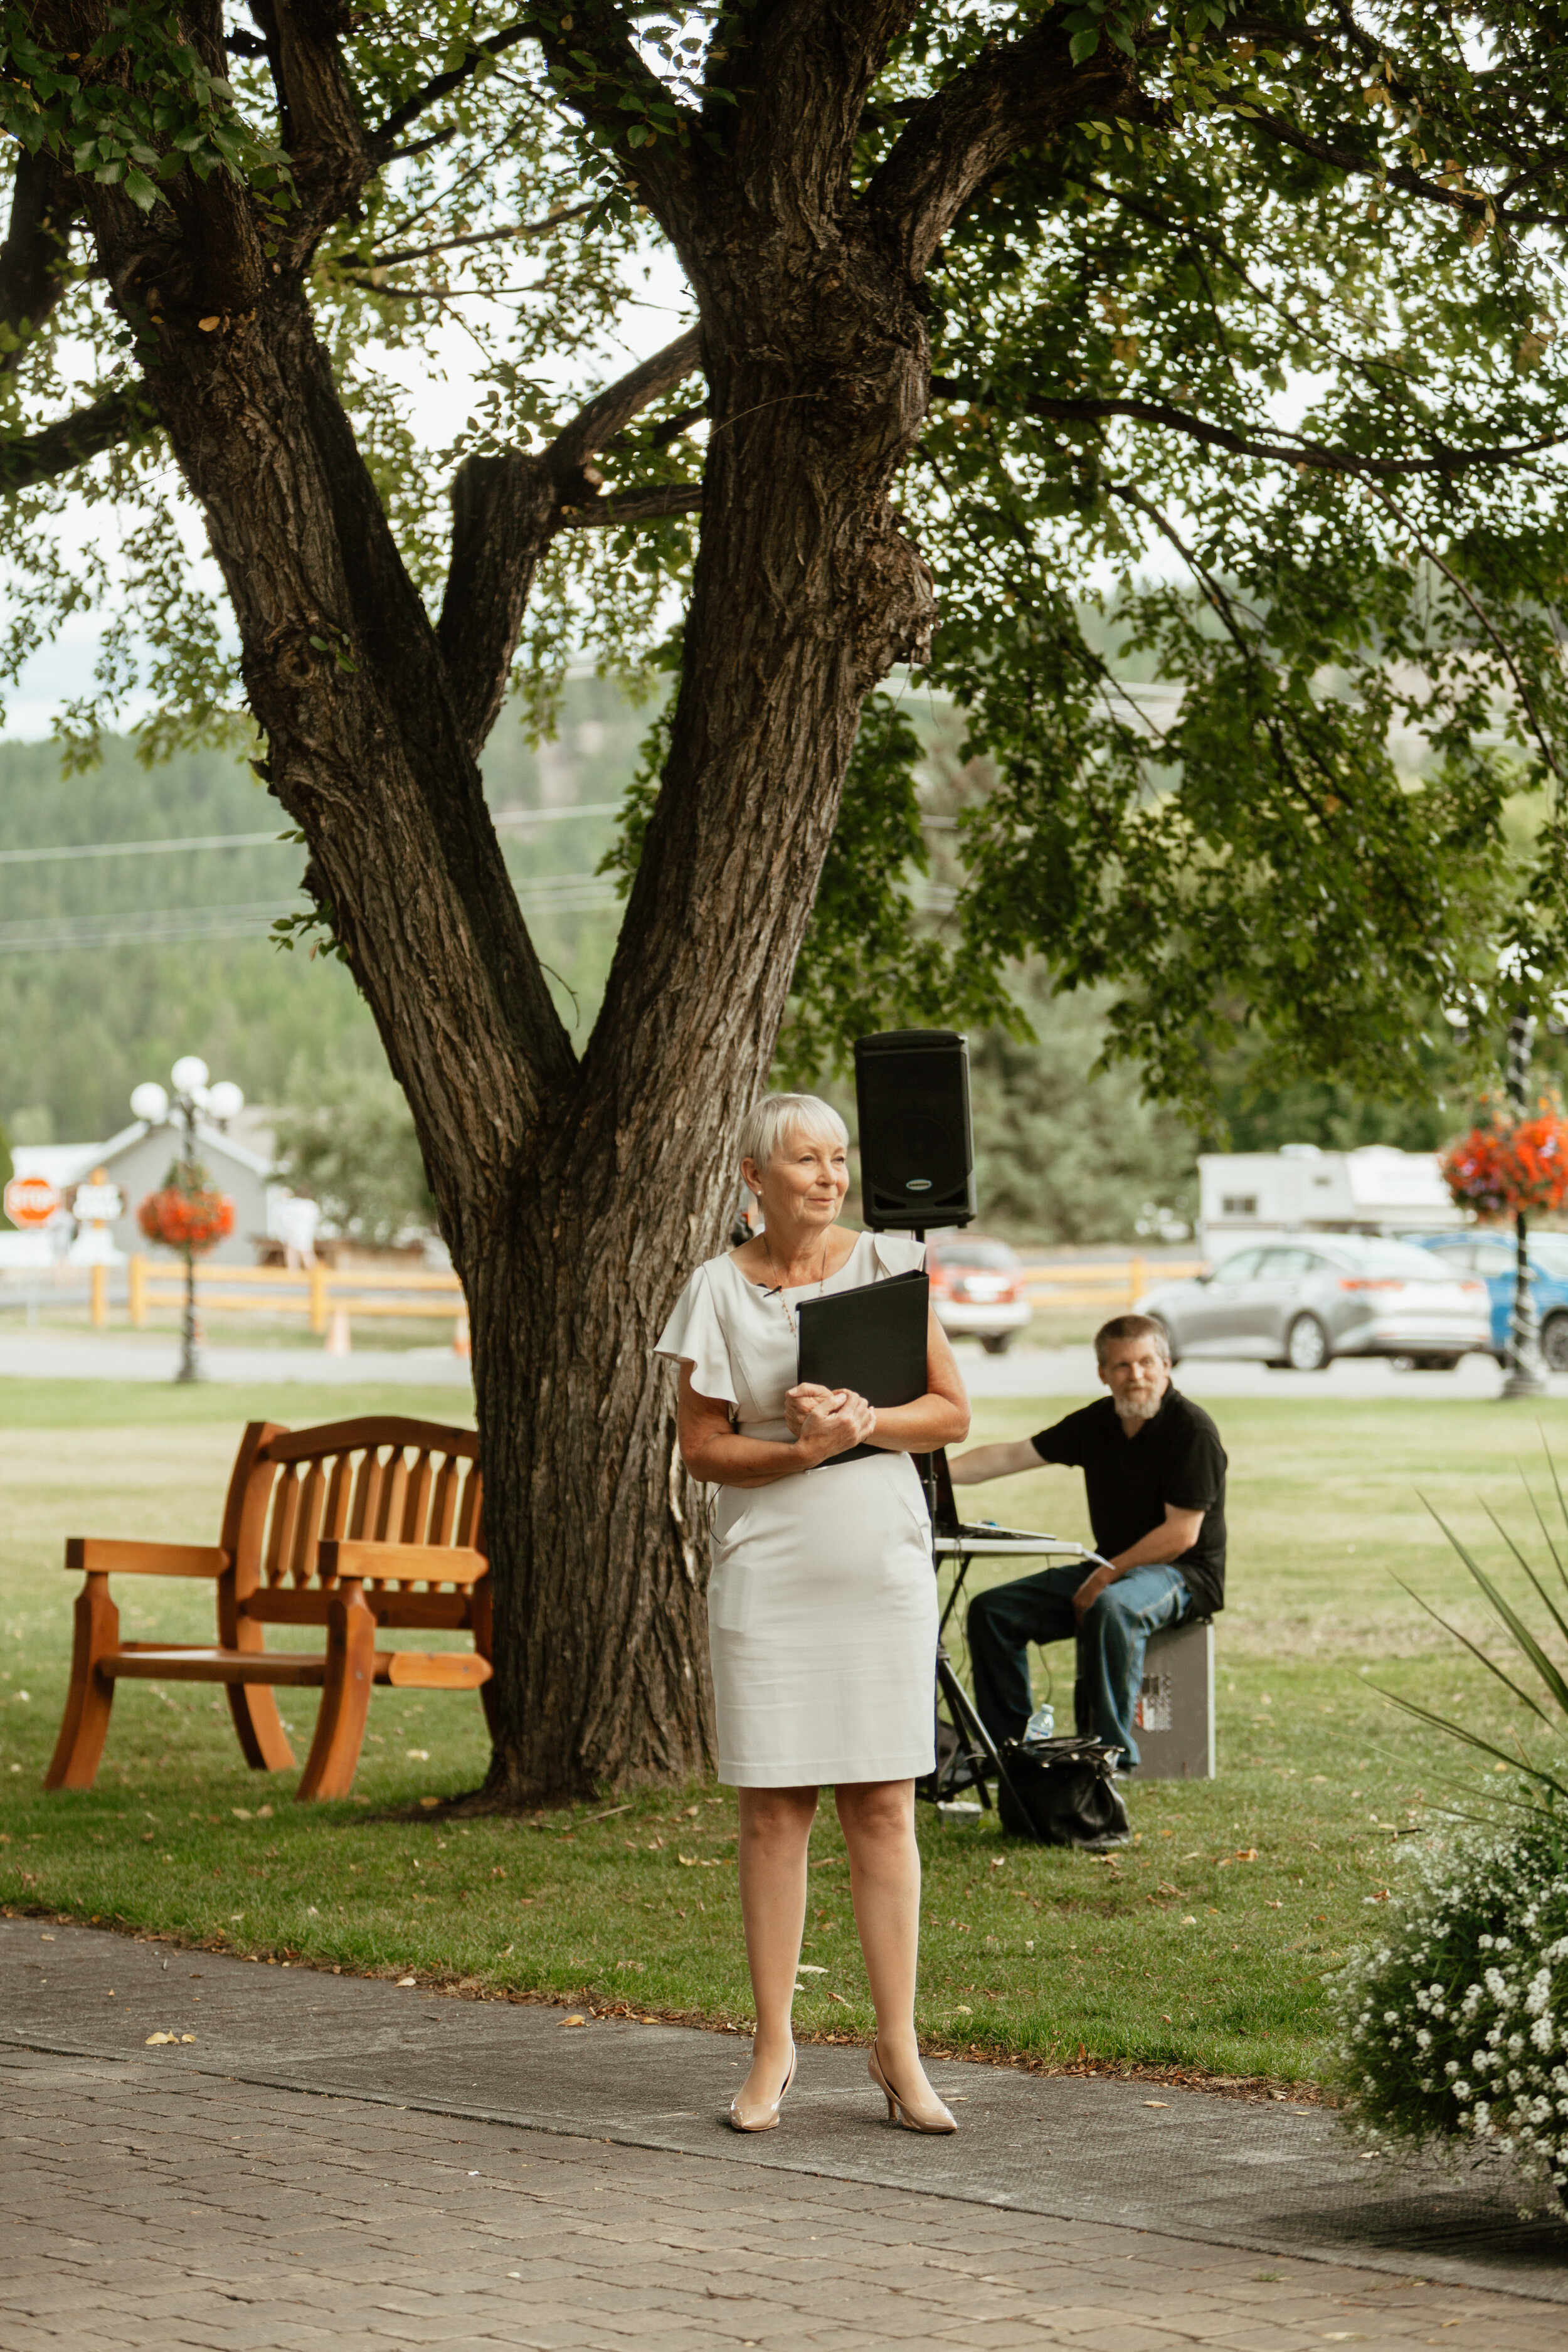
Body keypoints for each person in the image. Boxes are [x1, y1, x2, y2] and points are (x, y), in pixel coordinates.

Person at [655, 1092, 970, 2137]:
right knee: (773, 1811)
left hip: (876, 1563)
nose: (830, 1177)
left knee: (883, 1806)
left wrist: (866, 1420)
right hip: (768, 1568)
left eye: (840, 1158)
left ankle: (899, 2047)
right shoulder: (713, 1289)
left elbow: (953, 1414)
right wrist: (800, 1451)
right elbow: (701, 1449)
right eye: (805, 1160)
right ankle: (774, 2046)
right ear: (754, 1176)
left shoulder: (887, 1267)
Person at [948, 1315, 1226, 1771]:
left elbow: (1182, 1535)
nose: (1136, 1376)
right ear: (1103, 1374)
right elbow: (1012, 1455)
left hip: (1185, 1574)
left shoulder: (1193, 1431)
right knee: (992, 1612)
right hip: (1113, 1566)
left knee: (1112, 1608)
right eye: (1121, 1366)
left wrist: (1106, 1574)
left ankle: (1107, 1761)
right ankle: (1010, 1758)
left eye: (1146, 1363)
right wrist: (930, 1478)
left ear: (1167, 1365)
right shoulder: (1098, 1423)